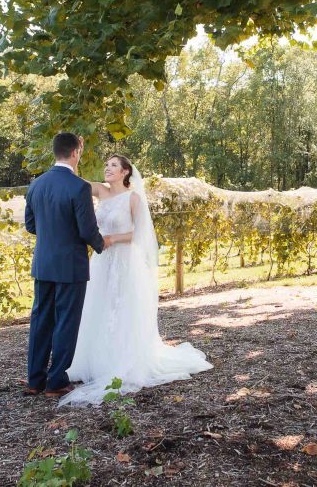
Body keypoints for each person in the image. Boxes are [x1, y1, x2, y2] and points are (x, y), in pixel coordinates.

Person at [60, 153, 212, 406]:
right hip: (101, 261)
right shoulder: (100, 191)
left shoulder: (133, 198)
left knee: (122, 307)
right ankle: (93, 360)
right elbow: (74, 181)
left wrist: (110, 239)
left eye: (113, 166)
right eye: (106, 164)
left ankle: (121, 359)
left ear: (125, 172)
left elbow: (140, 234)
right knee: (98, 306)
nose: (107, 168)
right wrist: (78, 153)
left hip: (123, 260)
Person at [22, 133, 110, 397]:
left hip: (44, 263)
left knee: (41, 319)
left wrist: (53, 235)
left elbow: (30, 225)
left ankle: (35, 380)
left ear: (55, 152)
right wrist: (100, 244)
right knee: (66, 321)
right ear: (75, 153)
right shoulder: (78, 186)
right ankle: (57, 380)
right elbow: (86, 229)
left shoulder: (36, 185)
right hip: (70, 265)